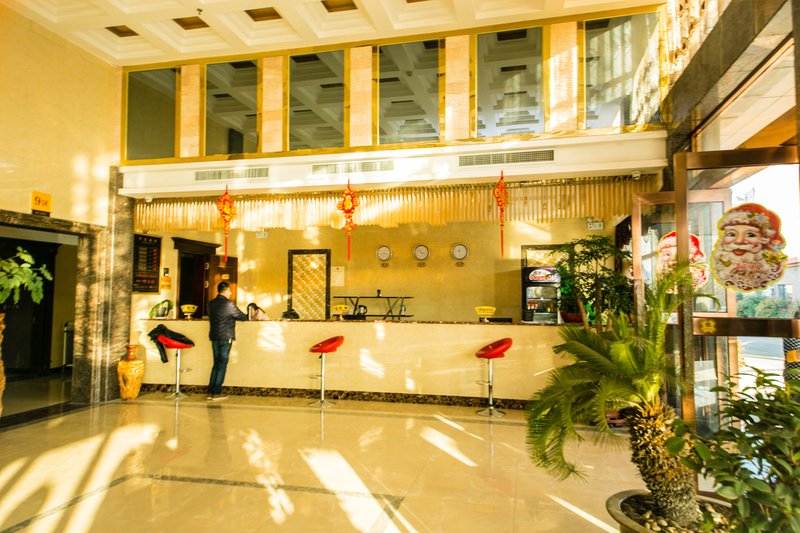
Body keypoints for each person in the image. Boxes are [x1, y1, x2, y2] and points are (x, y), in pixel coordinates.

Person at [710, 202, 787, 292]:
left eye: (750, 235)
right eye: (731, 234)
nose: (739, 241)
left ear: (764, 239)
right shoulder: (721, 264)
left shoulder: (767, 267)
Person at [207, 281, 248, 401]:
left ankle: (210, 391)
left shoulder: (210, 304)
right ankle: (216, 392)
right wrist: (250, 315)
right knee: (222, 364)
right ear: (225, 290)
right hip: (226, 337)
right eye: (229, 291)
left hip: (214, 336)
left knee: (216, 363)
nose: (230, 293)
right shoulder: (229, 304)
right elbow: (242, 317)